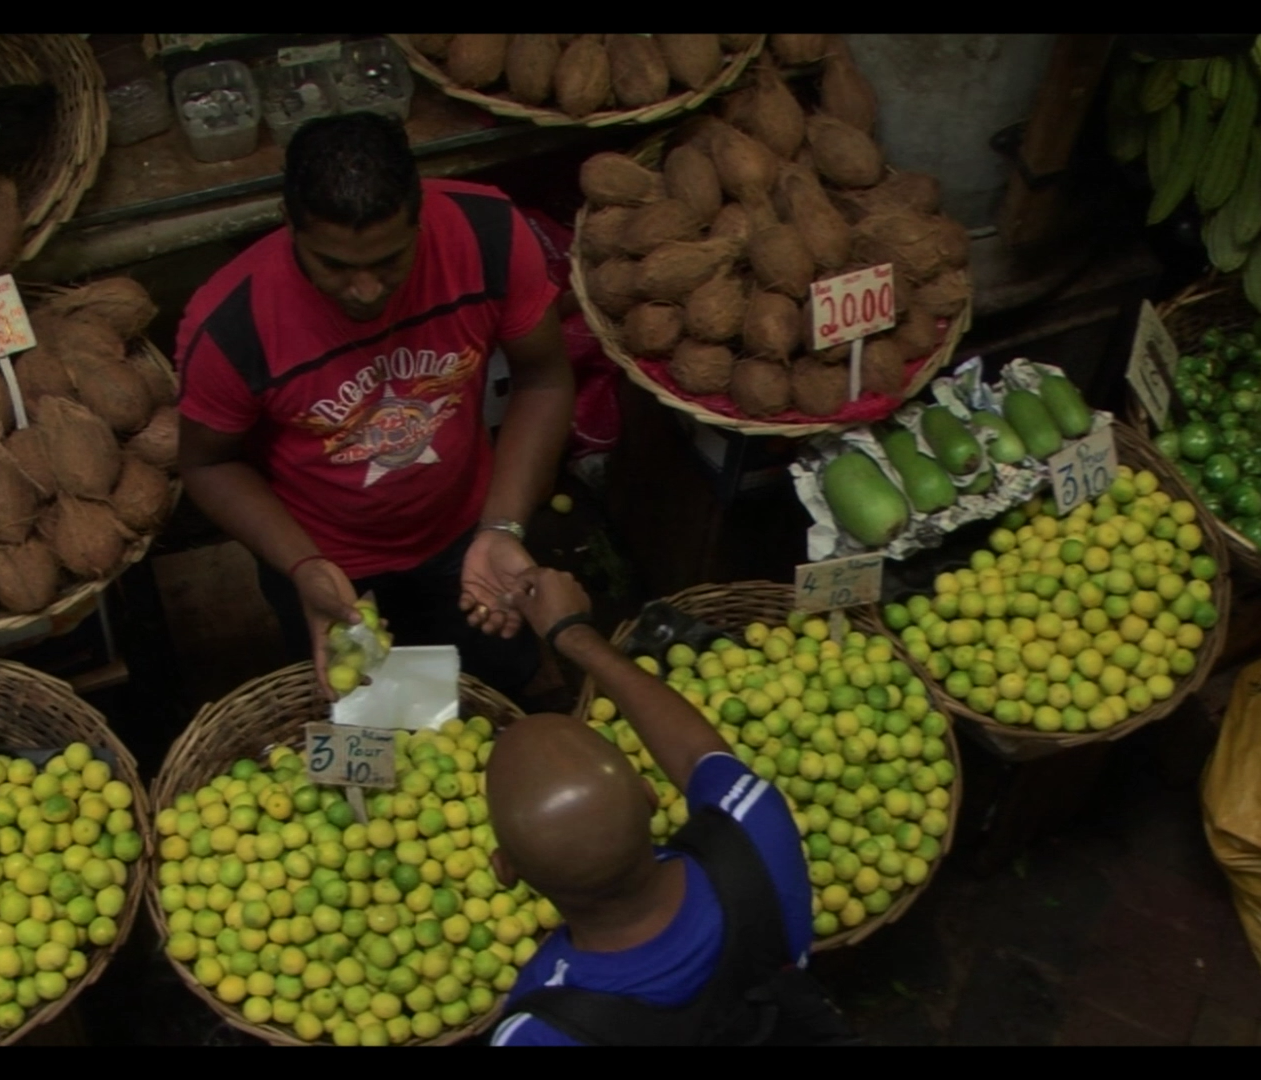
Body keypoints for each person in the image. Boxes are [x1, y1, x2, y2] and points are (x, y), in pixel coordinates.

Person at [174, 111, 575, 705]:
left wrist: (501, 526)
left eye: (389, 261)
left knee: (500, 687)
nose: (365, 290)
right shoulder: (232, 325)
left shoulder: (488, 237)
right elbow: (208, 465)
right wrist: (303, 566)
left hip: (467, 530)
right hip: (326, 563)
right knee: (365, 708)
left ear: (421, 218)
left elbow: (543, 378)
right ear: (289, 226)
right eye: (334, 266)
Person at [486, 567, 819, 1046]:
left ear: (505, 870)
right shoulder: (758, 837)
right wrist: (573, 633)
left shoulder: (538, 1029)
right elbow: (696, 754)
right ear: (650, 794)